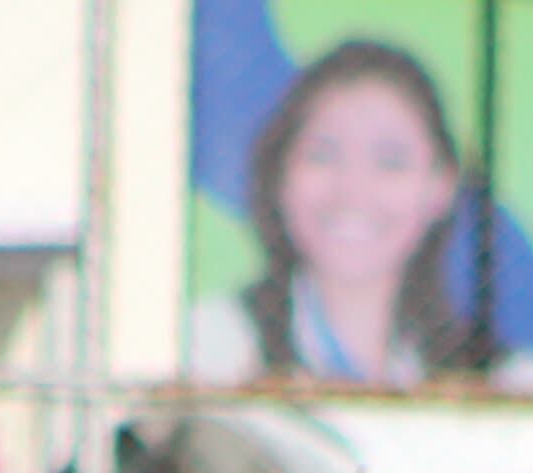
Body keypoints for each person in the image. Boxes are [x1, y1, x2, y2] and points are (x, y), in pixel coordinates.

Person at [188, 41, 508, 387]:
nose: (353, 191)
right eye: (322, 155)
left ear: (441, 187)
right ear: (279, 174)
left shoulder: (498, 379)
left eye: (390, 162)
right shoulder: (207, 349)